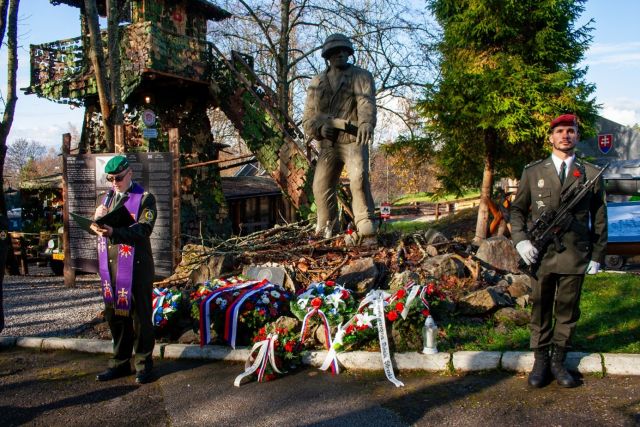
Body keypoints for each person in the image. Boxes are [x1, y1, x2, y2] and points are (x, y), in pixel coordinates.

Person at [511, 113, 607, 388]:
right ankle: (541, 361)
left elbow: (600, 216)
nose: (565, 135)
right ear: (551, 137)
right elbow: (517, 210)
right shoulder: (533, 172)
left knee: (567, 309)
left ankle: (558, 361)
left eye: (571, 131)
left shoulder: (590, 174)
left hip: (575, 253)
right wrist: (521, 241)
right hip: (541, 255)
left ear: (577, 136)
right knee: (540, 308)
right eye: (560, 131)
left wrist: (597, 255)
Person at [303, 33, 377, 239]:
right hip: (329, 144)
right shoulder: (316, 83)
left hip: (353, 140)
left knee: (358, 178)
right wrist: (319, 130)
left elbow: (366, 103)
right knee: (320, 185)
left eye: (345, 50)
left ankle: (365, 220)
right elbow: (308, 118)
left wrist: (366, 123)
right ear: (328, 55)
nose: (341, 54)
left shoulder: (361, 76)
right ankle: (328, 225)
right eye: (336, 51)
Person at [92, 155, 157, 384]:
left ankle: (144, 365)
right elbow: (99, 228)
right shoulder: (105, 198)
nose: (114, 183)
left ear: (129, 173)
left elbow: (144, 229)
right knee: (115, 317)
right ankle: (119, 363)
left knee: (140, 318)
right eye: (110, 179)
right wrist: (95, 221)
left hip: (136, 267)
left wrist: (114, 232)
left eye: (118, 178)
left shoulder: (145, 199)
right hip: (111, 267)